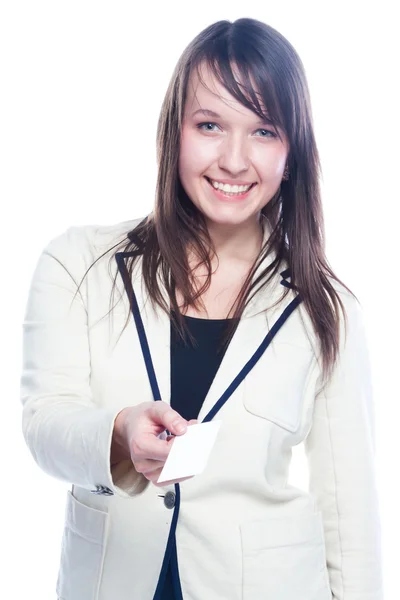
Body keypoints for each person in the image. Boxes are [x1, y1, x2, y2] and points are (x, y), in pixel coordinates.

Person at [20, 16, 383, 600]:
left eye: (264, 131)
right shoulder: (78, 264)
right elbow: (44, 423)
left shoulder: (326, 308)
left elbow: (350, 510)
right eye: (210, 125)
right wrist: (119, 433)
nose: (235, 161)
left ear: (293, 150)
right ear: (175, 132)